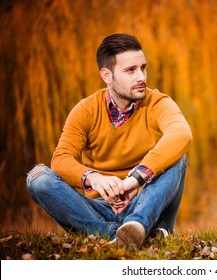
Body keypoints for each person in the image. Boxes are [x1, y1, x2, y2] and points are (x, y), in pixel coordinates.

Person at [26, 33, 192, 249]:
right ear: (107, 75)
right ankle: (121, 234)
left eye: (143, 67)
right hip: (98, 209)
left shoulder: (158, 103)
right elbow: (61, 159)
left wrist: (135, 180)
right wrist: (93, 178)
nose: (141, 77)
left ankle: (135, 225)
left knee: (178, 157)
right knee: (37, 178)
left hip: (146, 203)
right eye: (130, 70)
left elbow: (181, 134)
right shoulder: (86, 110)